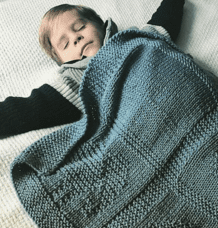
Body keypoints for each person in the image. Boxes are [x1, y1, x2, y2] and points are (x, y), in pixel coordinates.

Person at [0, 0, 185, 137]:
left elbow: (165, 19)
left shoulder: (135, 39)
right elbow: (27, 109)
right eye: (65, 44)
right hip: (149, 131)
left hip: (184, 97)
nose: (75, 38)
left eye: (80, 27)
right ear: (62, 62)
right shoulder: (76, 81)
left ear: (100, 25)